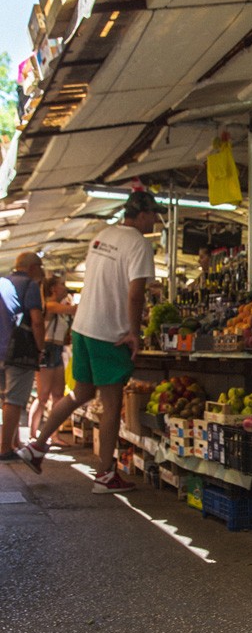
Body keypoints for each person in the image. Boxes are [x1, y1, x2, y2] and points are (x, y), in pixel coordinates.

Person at [17, 190, 166, 493]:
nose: (156, 219)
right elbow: (136, 293)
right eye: (153, 214)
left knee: (79, 394)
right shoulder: (139, 244)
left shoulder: (103, 235)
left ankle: (36, 446)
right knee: (111, 405)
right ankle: (104, 476)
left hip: (83, 327)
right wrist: (134, 332)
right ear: (141, 214)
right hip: (108, 333)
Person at [0, 251, 44, 462]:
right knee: (15, 400)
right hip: (18, 349)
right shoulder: (30, 285)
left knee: (6, 399)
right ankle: (5, 448)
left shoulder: (3, 282)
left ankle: (13, 442)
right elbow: (36, 320)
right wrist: (40, 347)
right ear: (33, 267)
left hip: (1, 347)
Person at [27, 275, 77, 445]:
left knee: (58, 395)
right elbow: (73, 310)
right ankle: (33, 434)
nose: (65, 287)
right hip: (47, 349)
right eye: (62, 284)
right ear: (53, 288)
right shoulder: (50, 306)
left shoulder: (60, 307)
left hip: (58, 350)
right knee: (42, 396)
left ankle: (54, 436)